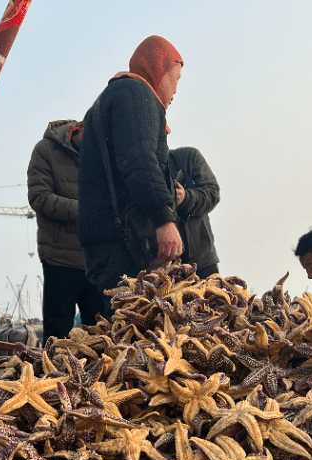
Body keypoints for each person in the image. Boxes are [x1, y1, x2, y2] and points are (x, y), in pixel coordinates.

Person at [77, 35, 184, 314]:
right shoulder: (136, 94)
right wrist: (164, 220)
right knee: (134, 330)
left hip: (107, 238)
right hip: (122, 241)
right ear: (159, 70)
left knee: (119, 326)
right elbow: (138, 161)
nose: (176, 90)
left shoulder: (115, 97)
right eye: (176, 79)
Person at [27, 119, 104, 342]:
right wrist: (85, 210)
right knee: (57, 337)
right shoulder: (45, 150)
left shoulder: (100, 155)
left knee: (101, 338)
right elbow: (39, 197)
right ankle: (53, 377)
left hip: (96, 260)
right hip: (60, 258)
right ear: (79, 128)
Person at [169, 146, 220, 278]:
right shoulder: (137, 171)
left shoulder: (189, 156)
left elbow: (213, 192)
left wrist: (186, 198)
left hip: (202, 263)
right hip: (164, 270)